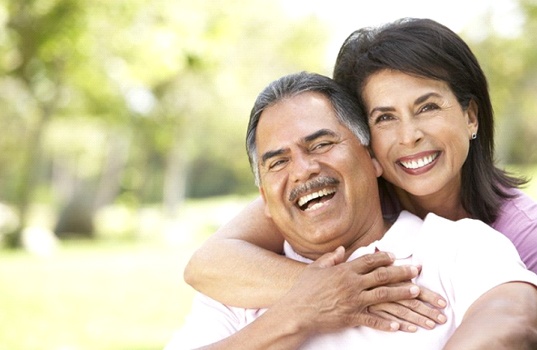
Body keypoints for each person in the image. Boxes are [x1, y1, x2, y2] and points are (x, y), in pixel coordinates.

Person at [183, 18, 537, 331]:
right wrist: (337, 290)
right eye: (384, 117)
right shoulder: (341, 193)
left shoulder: (516, 233)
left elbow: (516, 321)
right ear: (364, 143)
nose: (409, 135)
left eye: (427, 107)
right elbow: (207, 264)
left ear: (470, 116)